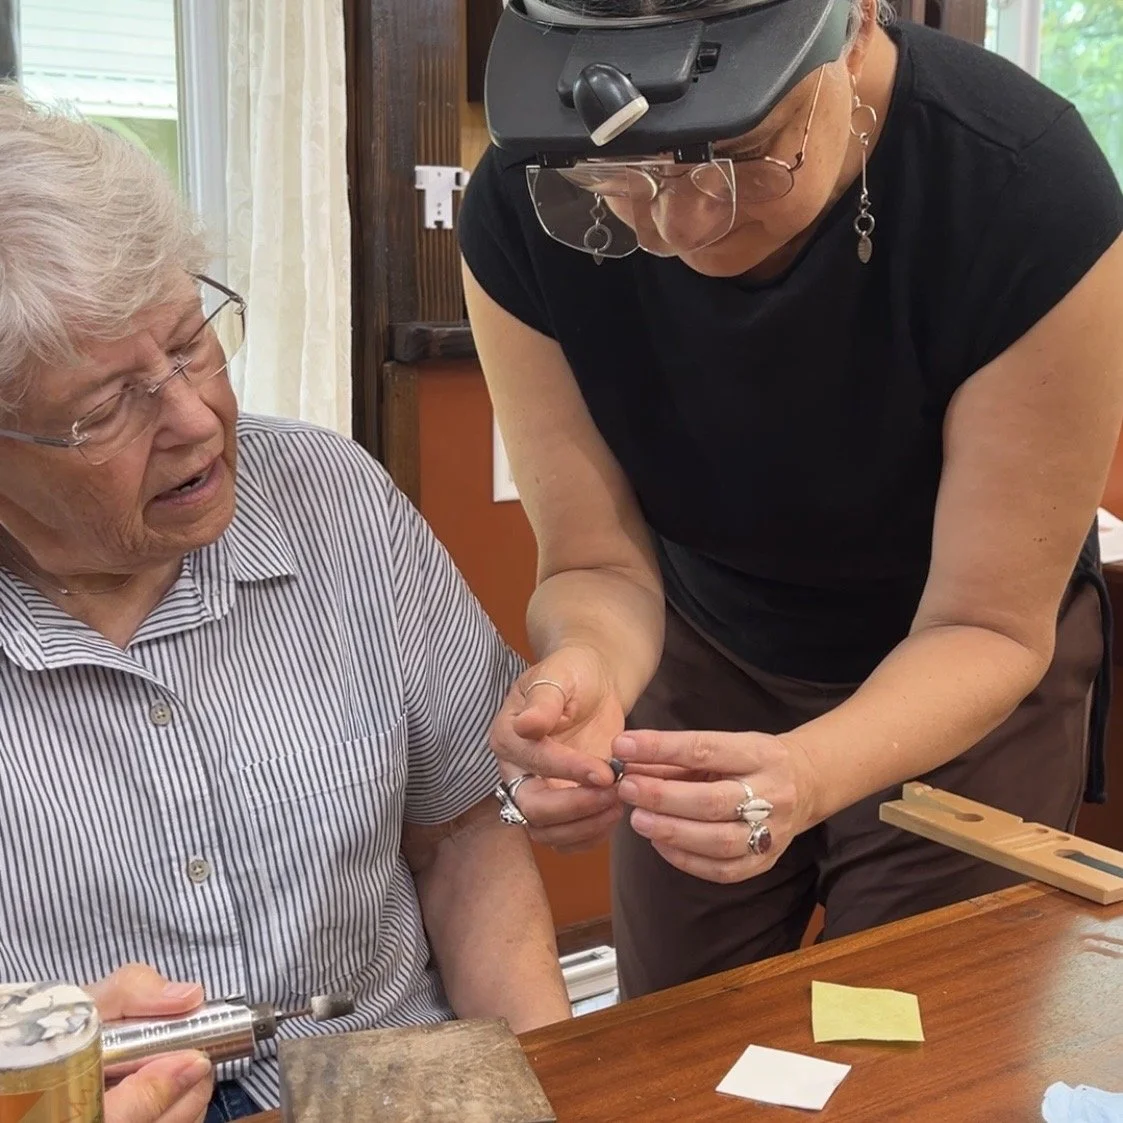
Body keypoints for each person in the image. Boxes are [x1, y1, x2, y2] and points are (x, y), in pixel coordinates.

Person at [459, 0, 1123, 1000]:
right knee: (680, 1045)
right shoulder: (523, 191)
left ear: (853, 25)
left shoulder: (1022, 189)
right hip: (710, 644)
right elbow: (595, 561)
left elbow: (986, 621)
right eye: (622, 177)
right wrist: (585, 670)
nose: (678, 225)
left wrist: (809, 774)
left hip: (967, 672)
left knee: (909, 1043)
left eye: (740, 153)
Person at [0, 86, 571, 1123]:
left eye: (189, 340)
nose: (192, 416)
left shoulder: (327, 491)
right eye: (103, 406)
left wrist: (541, 1090)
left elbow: (464, 836)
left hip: (402, 1086)